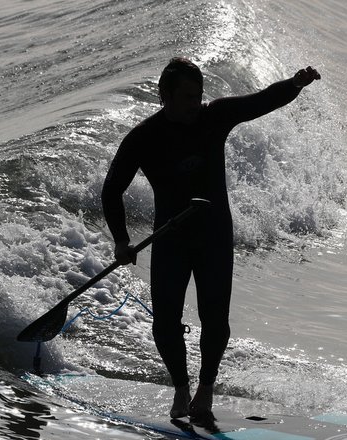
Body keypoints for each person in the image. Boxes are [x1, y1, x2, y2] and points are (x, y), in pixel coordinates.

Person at [101, 57, 321, 420]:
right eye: (188, 97)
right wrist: (121, 241)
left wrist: (294, 84)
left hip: (214, 235)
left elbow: (260, 101)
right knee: (165, 321)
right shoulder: (144, 138)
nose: (195, 103)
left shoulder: (213, 117)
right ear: (165, 96)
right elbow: (112, 190)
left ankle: (205, 389)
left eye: (198, 95)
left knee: (215, 319)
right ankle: (180, 388)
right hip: (171, 239)